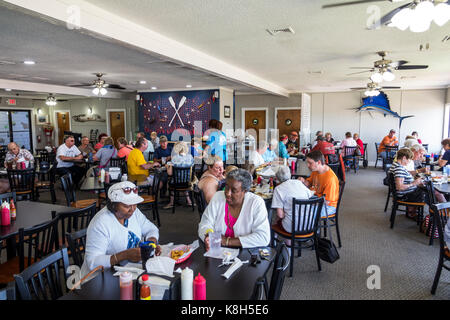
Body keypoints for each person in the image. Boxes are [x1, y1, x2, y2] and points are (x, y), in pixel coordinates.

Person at [80, 181, 161, 279]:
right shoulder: (101, 223)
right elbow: (92, 262)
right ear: (113, 205)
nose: (132, 209)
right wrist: (124, 255)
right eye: (127, 206)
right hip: (99, 279)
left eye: (135, 204)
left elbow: (151, 229)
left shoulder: (134, 213)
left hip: (125, 272)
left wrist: (150, 243)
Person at [198, 169, 270, 250]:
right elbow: (205, 223)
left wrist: (227, 241)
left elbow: (263, 237)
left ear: (245, 191)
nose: (228, 193)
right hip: (218, 252)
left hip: (246, 254)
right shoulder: (217, 197)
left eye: (234, 190)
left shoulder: (256, 203)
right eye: (227, 187)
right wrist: (209, 235)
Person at [272, 166, 314, 233]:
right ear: (290, 174)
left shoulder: (278, 189)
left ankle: (288, 243)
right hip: (309, 224)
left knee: (279, 219)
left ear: (277, 178)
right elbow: (311, 194)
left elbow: (280, 215)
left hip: (292, 227)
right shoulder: (299, 183)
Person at [298, 150, 339, 218]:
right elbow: (309, 184)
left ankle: (313, 228)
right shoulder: (315, 171)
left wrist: (310, 203)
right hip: (316, 198)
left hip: (328, 206)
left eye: (310, 163)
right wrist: (303, 181)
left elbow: (327, 201)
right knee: (298, 207)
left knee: (306, 212)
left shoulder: (330, 178)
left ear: (319, 162)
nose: (308, 165)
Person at [389, 148, 426, 218]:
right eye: (409, 159)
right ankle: (434, 216)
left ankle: (412, 212)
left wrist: (416, 182)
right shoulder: (399, 169)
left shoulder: (397, 166)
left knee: (425, 189)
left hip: (406, 193)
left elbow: (403, 176)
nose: (409, 162)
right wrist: (414, 183)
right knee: (429, 193)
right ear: (404, 158)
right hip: (405, 195)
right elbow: (399, 187)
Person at [163, 142, 194, 209]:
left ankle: (171, 202)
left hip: (176, 183)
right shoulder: (190, 157)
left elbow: (170, 173)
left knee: (170, 182)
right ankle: (189, 201)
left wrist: (167, 166)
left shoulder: (174, 158)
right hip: (188, 182)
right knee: (183, 178)